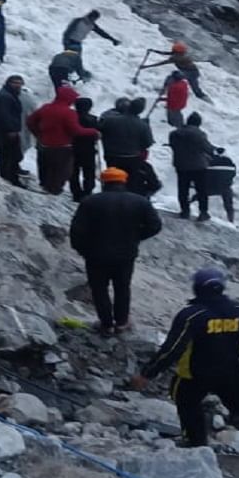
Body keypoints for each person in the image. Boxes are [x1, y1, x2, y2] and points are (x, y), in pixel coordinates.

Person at [130, 268, 239, 462]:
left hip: (196, 373)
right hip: (233, 371)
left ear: (197, 288)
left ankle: (196, 443)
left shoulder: (192, 315)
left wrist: (147, 374)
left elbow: (172, 349)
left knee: (185, 400)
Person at [69, 167, 162, 335]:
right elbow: (155, 225)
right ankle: (121, 322)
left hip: (96, 254)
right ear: (123, 182)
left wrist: (83, 250)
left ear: (104, 182)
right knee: (122, 288)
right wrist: (136, 237)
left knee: (99, 289)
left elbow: (77, 231)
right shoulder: (140, 201)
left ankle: (106, 324)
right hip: (126, 254)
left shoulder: (90, 202)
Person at [27, 85, 99, 195]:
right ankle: (54, 192)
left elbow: (30, 121)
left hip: (44, 144)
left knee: (46, 167)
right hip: (62, 146)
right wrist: (93, 132)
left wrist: (38, 134)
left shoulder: (46, 107)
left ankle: (46, 187)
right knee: (62, 171)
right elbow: (76, 131)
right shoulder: (69, 113)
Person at [99, 97, 156, 195]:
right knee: (131, 181)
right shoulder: (142, 125)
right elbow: (147, 143)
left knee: (113, 178)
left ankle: (110, 196)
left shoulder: (110, 120)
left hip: (112, 155)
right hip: (132, 157)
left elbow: (100, 131)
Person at [168, 112, 215, 221]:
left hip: (181, 165)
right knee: (201, 190)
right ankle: (203, 212)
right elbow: (207, 148)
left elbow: (173, 146)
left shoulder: (174, 134)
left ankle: (185, 211)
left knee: (183, 189)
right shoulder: (200, 134)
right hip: (198, 166)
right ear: (198, 123)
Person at [0, 76, 25, 186]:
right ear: (8, 83)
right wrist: (10, 129)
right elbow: (4, 115)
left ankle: (9, 177)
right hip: (6, 131)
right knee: (9, 156)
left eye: (20, 83)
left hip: (6, 130)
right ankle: (10, 178)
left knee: (10, 155)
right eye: (15, 83)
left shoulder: (8, 94)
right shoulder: (5, 96)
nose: (18, 85)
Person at [139, 42, 208, 100]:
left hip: (191, 73)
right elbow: (166, 53)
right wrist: (154, 51)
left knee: (173, 77)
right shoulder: (178, 54)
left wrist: (146, 66)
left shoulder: (178, 58)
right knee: (196, 89)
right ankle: (203, 97)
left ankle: (163, 91)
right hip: (193, 72)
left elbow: (162, 63)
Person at [71, 97, 101, 202]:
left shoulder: (71, 118)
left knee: (73, 172)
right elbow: (97, 135)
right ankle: (87, 192)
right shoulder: (93, 120)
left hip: (72, 149)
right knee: (89, 172)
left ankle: (76, 193)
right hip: (88, 150)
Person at [195, 148, 237, 223]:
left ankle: (201, 212)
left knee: (200, 194)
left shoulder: (209, 161)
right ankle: (231, 220)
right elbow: (233, 174)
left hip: (210, 188)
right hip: (225, 188)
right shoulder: (230, 162)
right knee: (229, 204)